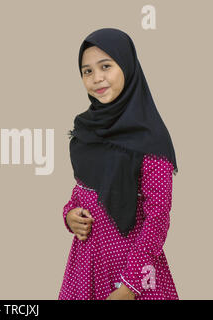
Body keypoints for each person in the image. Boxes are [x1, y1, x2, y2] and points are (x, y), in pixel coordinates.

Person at [58, 28, 179, 300]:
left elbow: (157, 219)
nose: (96, 78)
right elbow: (82, 193)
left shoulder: (151, 138)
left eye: (106, 66)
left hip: (133, 272)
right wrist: (69, 215)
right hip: (86, 267)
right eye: (86, 71)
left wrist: (129, 287)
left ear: (126, 65)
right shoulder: (85, 131)